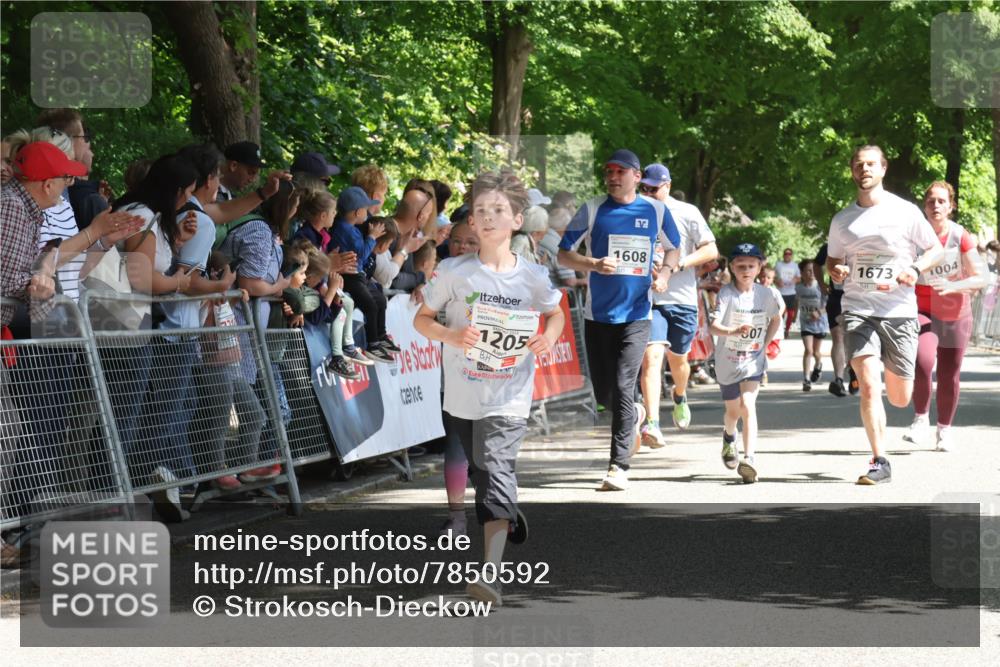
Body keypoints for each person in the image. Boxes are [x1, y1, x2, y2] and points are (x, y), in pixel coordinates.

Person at [414, 170, 564, 606]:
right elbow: (422, 320)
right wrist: (452, 336)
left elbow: (555, 313)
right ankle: (506, 511)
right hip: (462, 393)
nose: (488, 217)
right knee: (484, 473)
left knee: (495, 469)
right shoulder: (454, 271)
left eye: (498, 210)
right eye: (481, 211)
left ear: (517, 220)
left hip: (510, 394)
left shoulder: (532, 277)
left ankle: (490, 575)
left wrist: (549, 337)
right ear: (473, 224)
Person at [557, 149, 680, 491]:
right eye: (608, 171)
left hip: (638, 314)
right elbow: (563, 253)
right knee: (605, 393)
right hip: (598, 315)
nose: (612, 177)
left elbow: (673, 248)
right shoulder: (592, 209)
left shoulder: (656, 209)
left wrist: (666, 274)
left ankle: (617, 466)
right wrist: (593, 264)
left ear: (636, 177)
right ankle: (636, 415)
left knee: (626, 385)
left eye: (620, 172)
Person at [825, 145, 944, 485]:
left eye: (871, 164)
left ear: (883, 169)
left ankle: (914, 381)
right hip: (858, 309)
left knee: (900, 396)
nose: (865, 169)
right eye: (859, 164)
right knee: (868, 387)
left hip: (899, 312)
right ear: (852, 171)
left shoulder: (904, 212)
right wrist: (836, 273)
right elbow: (833, 260)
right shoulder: (842, 220)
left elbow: (934, 248)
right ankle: (880, 461)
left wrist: (915, 268)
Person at [636, 163, 718, 447]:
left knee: (679, 360)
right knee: (652, 358)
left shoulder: (687, 212)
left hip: (681, 299)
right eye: (643, 187)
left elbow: (711, 250)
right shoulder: (633, 211)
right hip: (649, 300)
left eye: (653, 188)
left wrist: (678, 263)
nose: (647, 192)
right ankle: (653, 424)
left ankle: (680, 394)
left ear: (667, 186)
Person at [905, 181, 985, 451]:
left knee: (950, 374)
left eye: (941, 201)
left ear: (951, 206)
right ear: (924, 206)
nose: (936, 205)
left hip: (955, 313)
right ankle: (920, 419)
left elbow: (981, 277)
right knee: (923, 361)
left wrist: (954, 286)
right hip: (922, 309)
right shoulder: (915, 236)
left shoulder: (960, 236)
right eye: (931, 201)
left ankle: (944, 430)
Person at [188, 250, 264, 491]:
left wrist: (231, 296)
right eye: (232, 273)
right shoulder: (204, 296)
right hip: (211, 365)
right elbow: (203, 318)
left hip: (233, 365)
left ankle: (247, 468)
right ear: (217, 274)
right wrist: (218, 292)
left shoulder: (223, 294)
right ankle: (217, 473)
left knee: (255, 414)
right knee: (218, 420)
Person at [708, 243, 781, 483]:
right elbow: (713, 326)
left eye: (751, 266)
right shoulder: (727, 294)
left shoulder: (766, 294)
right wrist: (733, 331)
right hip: (727, 362)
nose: (746, 270)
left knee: (748, 405)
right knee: (733, 412)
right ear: (732, 267)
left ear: (760, 267)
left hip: (752, 360)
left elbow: (776, 318)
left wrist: (764, 344)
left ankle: (749, 459)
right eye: (741, 266)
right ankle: (729, 437)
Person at [331, 186, 397, 362]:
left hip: (359, 274)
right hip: (350, 276)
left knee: (380, 299)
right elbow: (362, 253)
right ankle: (373, 344)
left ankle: (381, 336)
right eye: (365, 209)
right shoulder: (344, 229)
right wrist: (372, 237)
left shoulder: (352, 227)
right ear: (356, 212)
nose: (368, 213)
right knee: (370, 305)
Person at [814, 242, 852, 396]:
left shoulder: (863, 242)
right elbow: (816, 264)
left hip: (858, 297)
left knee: (854, 335)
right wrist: (822, 283)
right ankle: (839, 380)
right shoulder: (830, 246)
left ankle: (854, 370)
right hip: (836, 297)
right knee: (838, 336)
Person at [795, 259, 829, 391]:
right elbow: (797, 301)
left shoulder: (821, 287)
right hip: (805, 322)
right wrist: (793, 317)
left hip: (820, 323)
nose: (811, 273)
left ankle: (818, 364)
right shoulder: (798, 287)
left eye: (813, 270)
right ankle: (806, 379)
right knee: (808, 350)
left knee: (816, 352)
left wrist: (820, 312)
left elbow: (829, 305)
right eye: (808, 270)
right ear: (802, 273)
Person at [774, 248, 800, 337]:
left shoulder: (795, 266)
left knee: (790, 313)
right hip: (780, 292)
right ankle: (779, 329)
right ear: (783, 255)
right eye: (786, 254)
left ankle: (787, 330)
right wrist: (777, 281)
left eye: (789, 254)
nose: (787, 255)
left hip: (791, 292)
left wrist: (794, 280)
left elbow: (799, 277)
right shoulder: (778, 264)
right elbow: (773, 277)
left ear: (792, 255)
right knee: (780, 312)